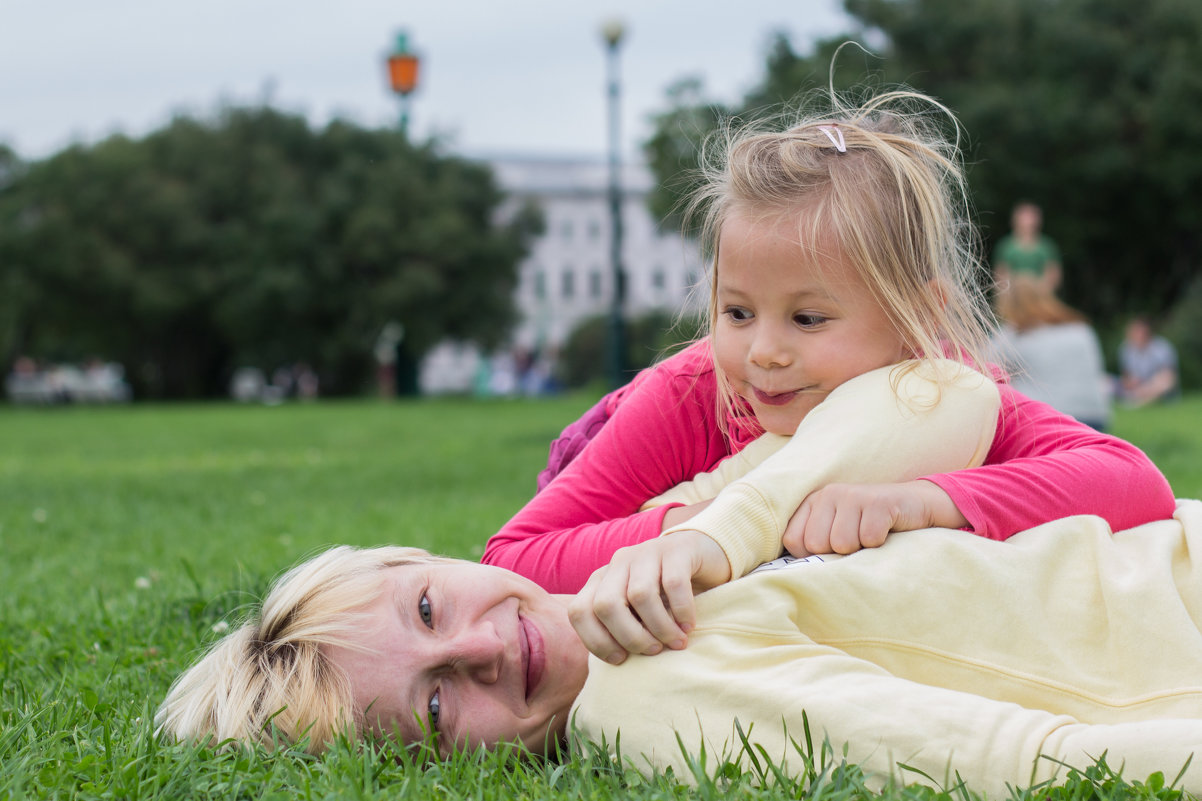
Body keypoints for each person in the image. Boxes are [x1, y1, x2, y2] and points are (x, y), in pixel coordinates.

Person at [484, 90, 1174, 595]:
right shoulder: (695, 393)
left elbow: (1134, 479)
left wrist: (923, 500)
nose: (764, 352)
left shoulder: (939, 392)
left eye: (808, 319)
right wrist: (712, 524)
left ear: (915, 322)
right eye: (738, 311)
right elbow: (513, 558)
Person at [989, 275, 1111, 430]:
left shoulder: (1014, 338)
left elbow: (983, 367)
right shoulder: (1081, 330)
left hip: (1049, 420)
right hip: (1095, 417)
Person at [993, 201, 1062, 291]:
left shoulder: (1047, 246)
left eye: (1031, 217)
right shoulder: (1005, 246)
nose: (1028, 221)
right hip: (1013, 297)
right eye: (1024, 217)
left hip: (1041, 298)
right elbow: (1000, 275)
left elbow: (1054, 276)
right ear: (1015, 219)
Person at [1118, 316, 1179, 406]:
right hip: (1136, 387)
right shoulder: (1126, 348)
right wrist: (1130, 381)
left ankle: (1138, 401)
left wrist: (1147, 385)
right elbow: (1126, 376)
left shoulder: (1162, 347)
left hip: (1156, 386)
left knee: (1163, 382)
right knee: (1104, 382)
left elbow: (1168, 375)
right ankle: (1137, 399)